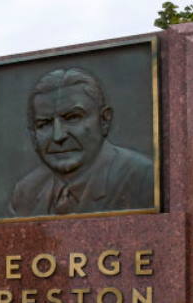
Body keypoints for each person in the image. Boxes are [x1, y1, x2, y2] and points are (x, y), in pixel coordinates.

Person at [9, 67, 154, 218]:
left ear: (104, 120)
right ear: (33, 135)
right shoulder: (25, 192)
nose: (58, 137)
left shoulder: (143, 180)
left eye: (72, 118)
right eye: (44, 124)